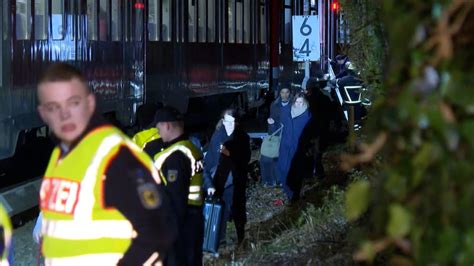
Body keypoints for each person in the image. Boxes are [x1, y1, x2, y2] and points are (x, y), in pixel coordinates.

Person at [36, 62, 177, 265]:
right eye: (53, 107)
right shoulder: (60, 157)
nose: (63, 114)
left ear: (90, 104)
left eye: (73, 103)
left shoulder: (116, 157)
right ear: (43, 114)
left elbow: (160, 228)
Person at [143, 106, 205, 266]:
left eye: (159, 128)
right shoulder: (191, 148)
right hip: (194, 218)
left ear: (167, 125)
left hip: (181, 224)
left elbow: (175, 198)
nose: (158, 133)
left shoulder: (175, 157)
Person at [203, 109, 251, 247]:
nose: (229, 124)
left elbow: (245, 158)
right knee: (221, 209)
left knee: (237, 208)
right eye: (226, 121)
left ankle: (241, 237)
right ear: (223, 121)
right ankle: (221, 239)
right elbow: (211, 161)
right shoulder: (217, 136)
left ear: (236, 122)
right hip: (221, 179)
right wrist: (209, 183)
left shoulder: (242, 137)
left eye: (232, 121)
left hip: (236, 179)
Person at [277, 93, 312, 202]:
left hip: (297, 148)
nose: (298, 104)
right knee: (281, 169)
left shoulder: (307, 116)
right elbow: (279, 124)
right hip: (284, 146)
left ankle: (292, 195)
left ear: (304, 102)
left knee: (293, 172)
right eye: (297, 102)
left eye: (301, 102)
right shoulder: (287, 112)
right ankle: (288, 192)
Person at [260, 87, 291, 187]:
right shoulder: (275, 105)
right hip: (277, 135)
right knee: (268, 158)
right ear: (279, 93)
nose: (284, 95)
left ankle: (280, 180)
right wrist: (272, 125)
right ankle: (269, 181)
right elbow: (272, 122)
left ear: (290, 93)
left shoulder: (293, 104)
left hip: (288, 136)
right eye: (282, 92)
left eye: (287, 92)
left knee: (282, 158)